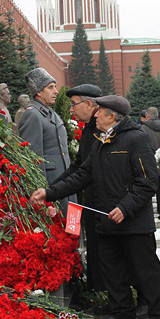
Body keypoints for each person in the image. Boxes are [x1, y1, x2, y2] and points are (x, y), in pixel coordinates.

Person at [30, 95, 160, 319]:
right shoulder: (101, 140)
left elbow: (147, 182)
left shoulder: (137, 138)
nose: (94, 114)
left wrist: (125, 207)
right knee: (112, 270)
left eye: (100, 111)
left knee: (145, 269)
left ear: (112, 116)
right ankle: (124, 313)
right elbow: (82, 175)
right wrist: (50, 192)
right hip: (105, 217)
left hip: (133, 221)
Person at [52, 84, 105, 293]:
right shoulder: (89, 130)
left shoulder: (100, 130)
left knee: (104, 250)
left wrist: (54, 190)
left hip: (103, 201)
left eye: (74, 105)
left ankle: (113, 297)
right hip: (90, 197)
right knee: (95, 246)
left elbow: (85, 170)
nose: (71, 110)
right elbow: (78, 165)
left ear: (89, 104)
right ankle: (101, 291)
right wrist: (53, 188)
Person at [18, 68, 75, 211]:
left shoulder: (49, 113)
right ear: (38, 91)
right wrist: (40, 190)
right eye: (50, 87)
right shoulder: (32, 115)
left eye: (55, 86)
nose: (56, 91)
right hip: (50, 185)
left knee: (72, 226)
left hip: (64, 184)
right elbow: (33, 158)